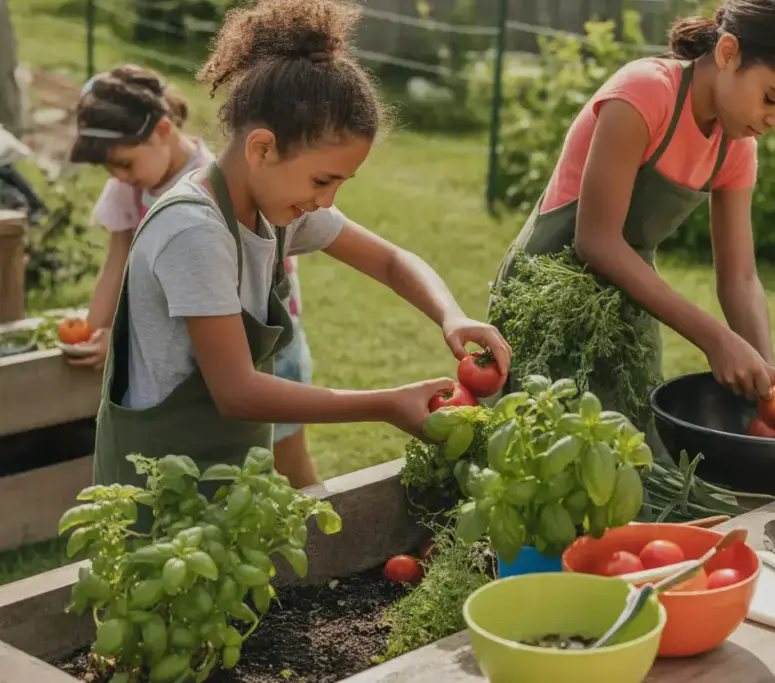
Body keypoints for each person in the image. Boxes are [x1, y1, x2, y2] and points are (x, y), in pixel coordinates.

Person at [90, 0, 511, 491]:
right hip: (153, 488)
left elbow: (393, 262)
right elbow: (237, 393)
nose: (326, 200)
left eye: (340, 184)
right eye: (321, 179)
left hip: (222, 471)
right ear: (262, 149)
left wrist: (451, 316)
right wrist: (385, 403)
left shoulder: (273, 209)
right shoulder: (195, 231)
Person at [489, 0, 775, 452]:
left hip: (628, 308)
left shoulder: (736, 146)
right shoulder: (643, 93)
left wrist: (768, 386)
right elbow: (595, 240)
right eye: (772, 97)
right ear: (729, 52)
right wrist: (716, 339)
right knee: (540, 455)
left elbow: (739, 277)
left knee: (633, 466)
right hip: (546, 296)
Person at [68, 64, 323, 488]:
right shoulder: (129, 188)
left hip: (266, 339)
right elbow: (118, 261)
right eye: (111, 170)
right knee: (230, 474)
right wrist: (95, 330)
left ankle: (328, 541)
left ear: (163, 130)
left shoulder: (218, 181)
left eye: (126, 164)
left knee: (288, 458)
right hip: (195, 352)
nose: (121, 178)